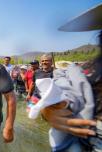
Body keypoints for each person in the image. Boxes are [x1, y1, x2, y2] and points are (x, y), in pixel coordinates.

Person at [41, 4, 102, 152]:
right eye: (42, 61)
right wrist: (47, 111)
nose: (44, 64)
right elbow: (39, 99)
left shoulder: (64, 72)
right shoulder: (89, 76)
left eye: (46, 61)